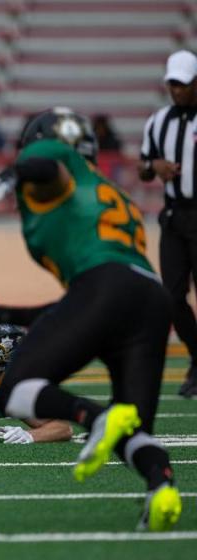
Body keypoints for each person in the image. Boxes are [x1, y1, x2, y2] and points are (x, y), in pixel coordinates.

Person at [0, 107, 181, 531]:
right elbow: (84, 304)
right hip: (148, 299)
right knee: (135, 428)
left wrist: (16, 171)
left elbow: (46, 165)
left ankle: (92, 417)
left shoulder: (48, 161)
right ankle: (162, 487)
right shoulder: (109, 192)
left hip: (107, 288)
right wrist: (11, 313)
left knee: (13, 391)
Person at [139, 50, 197, 397]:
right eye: (173, 84)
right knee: (171, 297)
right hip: (175, 215)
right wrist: (155, 167)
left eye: (183, 84)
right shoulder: (159, 121)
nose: (177, 90)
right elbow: (143, 167)